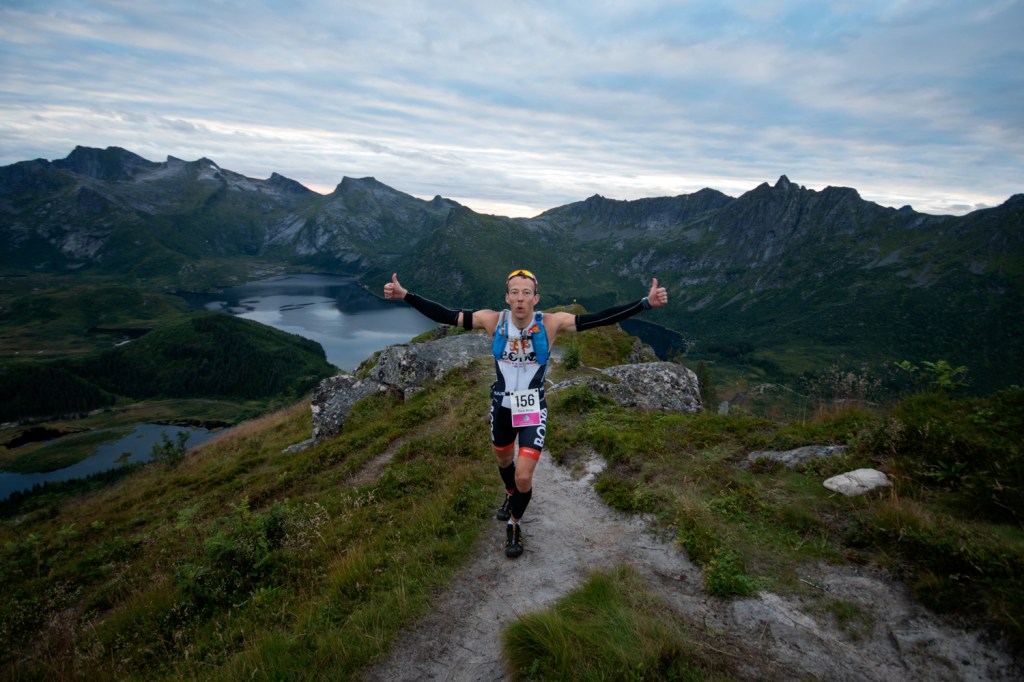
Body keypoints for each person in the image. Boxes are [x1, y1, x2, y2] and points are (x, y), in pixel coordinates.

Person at [384, 269, 668, 558]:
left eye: (526, 293)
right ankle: (510, 497)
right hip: (502, 407)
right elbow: (446, 315)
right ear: (507, 297)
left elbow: (598, 318)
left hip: (532, 409)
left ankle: (514, 523)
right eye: (515, 293)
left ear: (536, 298)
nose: (521, 299)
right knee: (504, 459)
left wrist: (644, 303)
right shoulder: (493, 320)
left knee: (523, 477)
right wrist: (406, 295)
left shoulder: (551, 324)